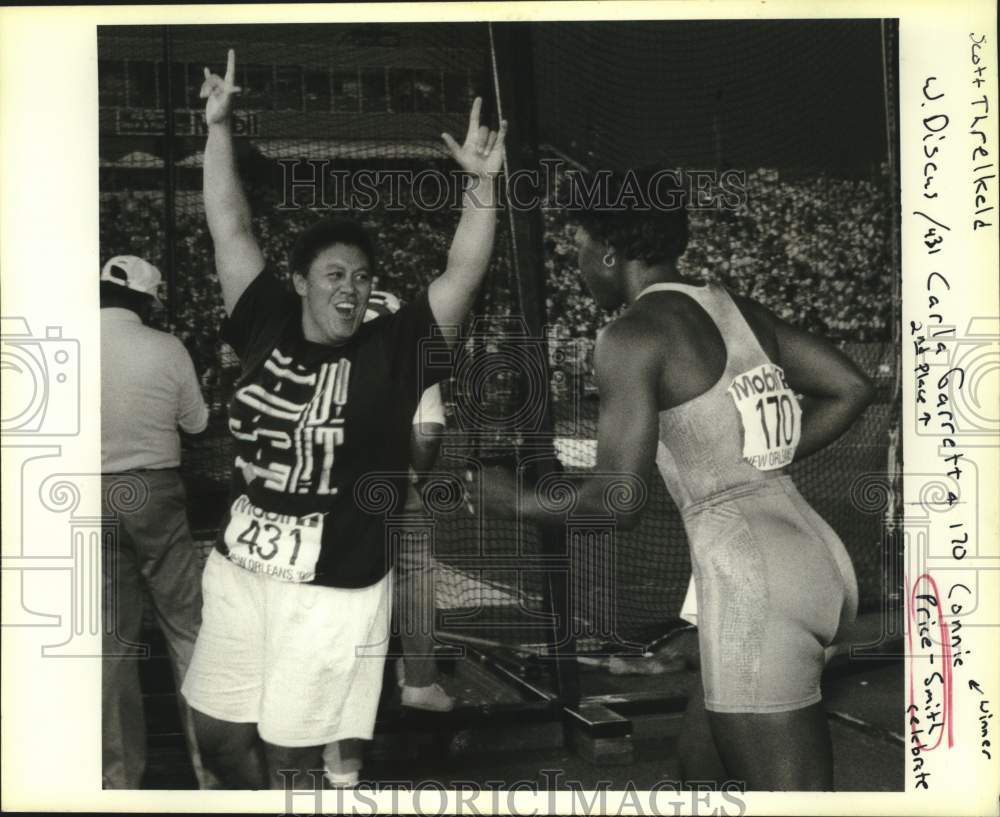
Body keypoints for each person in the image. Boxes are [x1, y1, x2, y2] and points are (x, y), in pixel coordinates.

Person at [478, 168, 875, 790]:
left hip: (752, 578)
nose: (577, 264)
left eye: (579, 247)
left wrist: (510, 501)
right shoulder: (728, 304)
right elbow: (850, 387)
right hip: (815, 557)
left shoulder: (631, 335)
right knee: (698, 771)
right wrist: (753, 457)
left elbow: (619, 499)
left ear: (609, 253)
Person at [180, 49, 506, 789]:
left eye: (363, 278)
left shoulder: (394, 347)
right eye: (335, 275)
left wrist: (482, 189)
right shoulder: (264, 316)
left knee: (294, 754)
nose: (352, 290)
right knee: (221, 737)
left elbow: (461, 274)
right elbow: (229, 224)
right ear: (298, 283)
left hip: (334, 583)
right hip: (241, 566)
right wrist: (219, 127)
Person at [320, 291, 454, 789]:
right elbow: (428, 432)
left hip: (332, 499)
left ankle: (341, 756)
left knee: (345, 609)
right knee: (416, 571)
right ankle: (419, 679)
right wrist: (412, 476)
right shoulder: (410, 352)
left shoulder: (324, 352)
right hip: (394, 489)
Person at [99, 254, 213, 789]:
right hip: (156, 491)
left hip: (86, 495)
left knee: (110, 645)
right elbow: (197, 422)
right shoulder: (166, 347)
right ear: (147, 301)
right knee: (187, 629)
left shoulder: (66, 343)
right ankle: (209, 772)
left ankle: (120, 782)